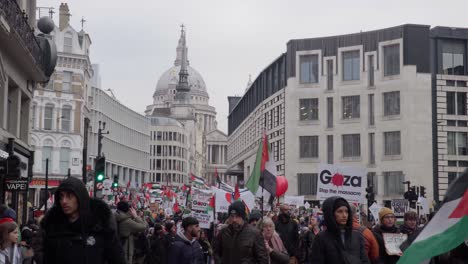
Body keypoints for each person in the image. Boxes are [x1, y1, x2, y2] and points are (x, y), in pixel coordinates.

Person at [41, 177, 125, 264]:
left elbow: (117, 258)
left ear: (80, 197)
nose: (64, 201)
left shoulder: (100, 225)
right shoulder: (53, 227)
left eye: (69, 196)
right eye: (61, 196)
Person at [310, 196, 369, 264]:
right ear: (331, 214)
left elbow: (365, 260)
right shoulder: (321, 238)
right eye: (340, 211)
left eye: (346, 211)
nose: (344, 215)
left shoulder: (357, 236)